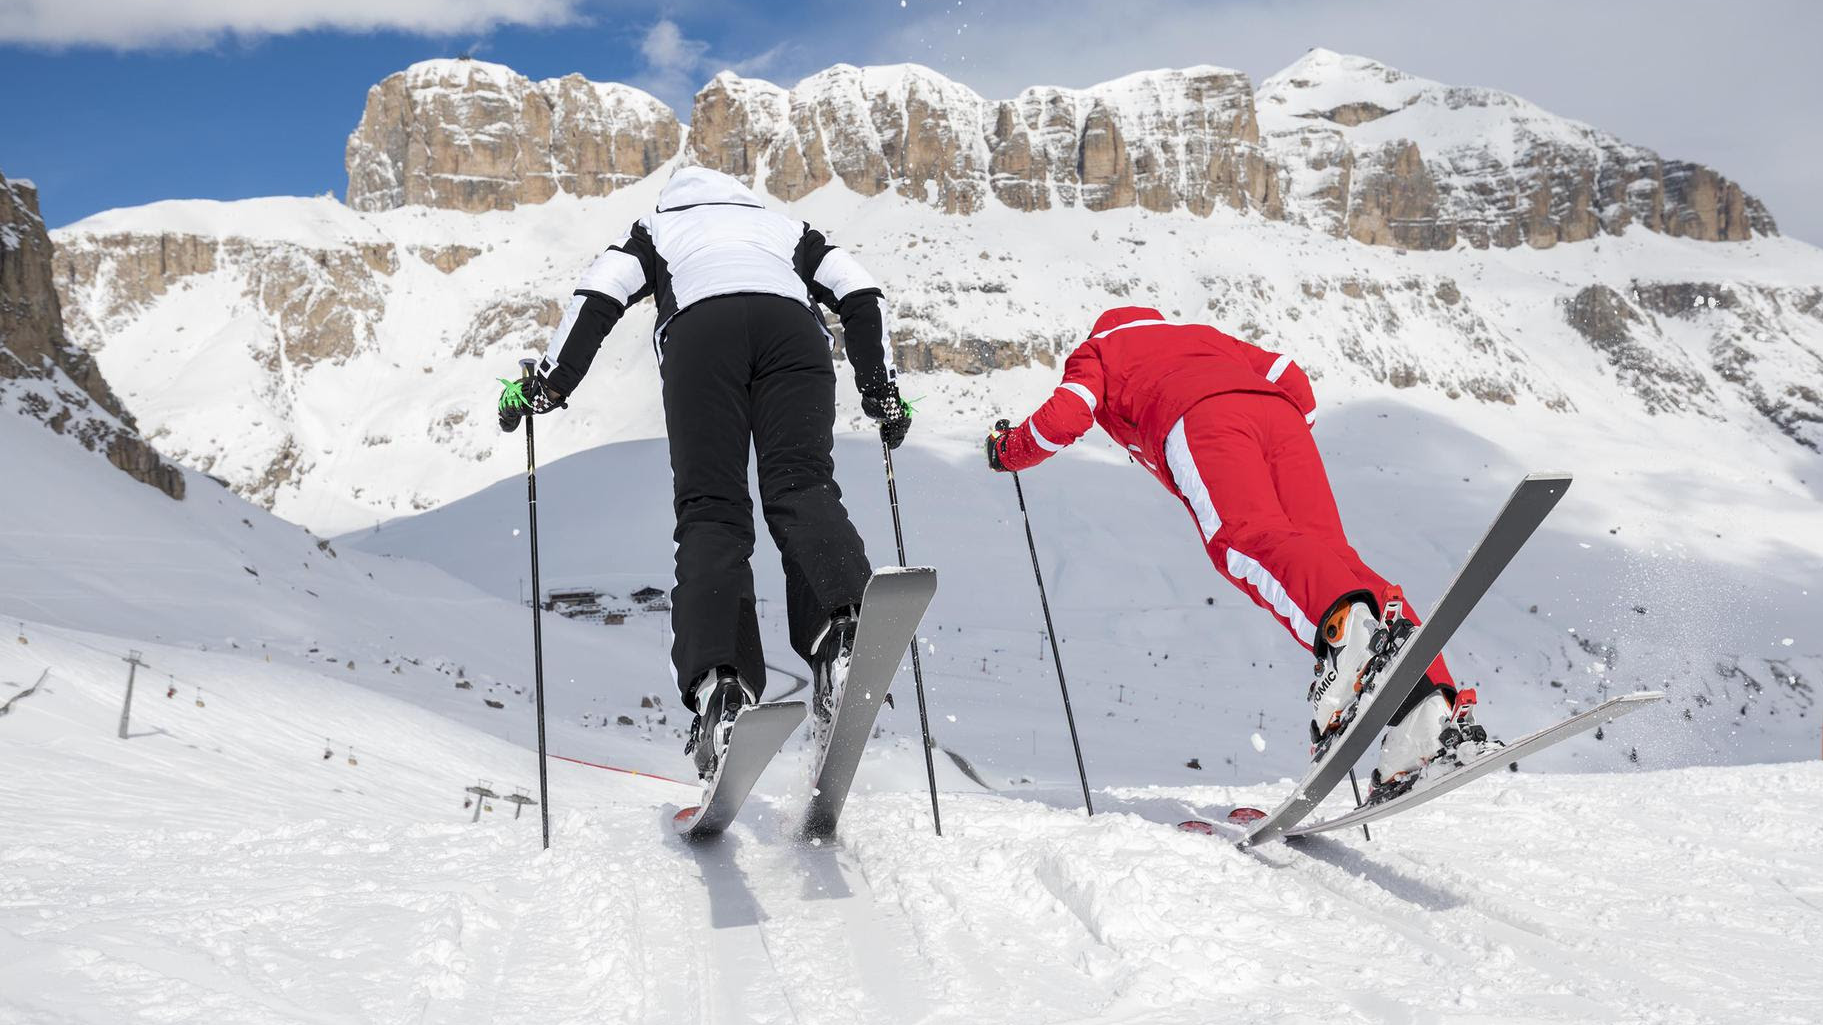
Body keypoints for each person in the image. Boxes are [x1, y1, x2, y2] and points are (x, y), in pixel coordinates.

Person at [498, 165, 911, 780]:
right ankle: (844, 634)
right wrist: (881, 392)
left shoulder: (656, 230)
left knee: (712, 512)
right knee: (802, 484)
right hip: (794, 335)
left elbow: (600, 294)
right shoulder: (787, 229)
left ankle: (723, 689)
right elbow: (861, 293)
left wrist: (547, 387)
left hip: (700, 336)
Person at [984, 305, 1490, 799]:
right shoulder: (1202, 335)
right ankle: (1431, 718)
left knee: (1245, 540)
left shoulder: (1099, 350)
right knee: (1330, 552)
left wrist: (1008, 450)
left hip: (1199, 419)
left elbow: (1066, 416)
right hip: (1281, 419)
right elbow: (1291, 378)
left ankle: (1349, 643)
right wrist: (1276, 432)